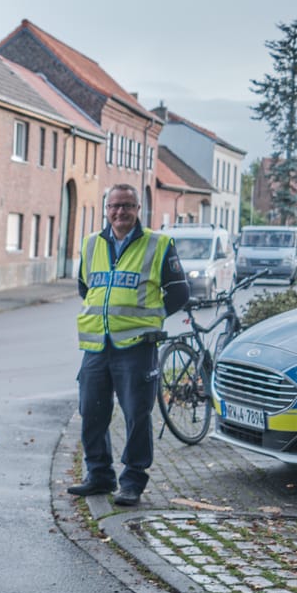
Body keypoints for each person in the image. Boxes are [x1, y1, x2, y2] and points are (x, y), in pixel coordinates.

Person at [67, 184, 189, 506]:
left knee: (136, 415)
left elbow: (179, 293)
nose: (120, 212)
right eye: (114, 206)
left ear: (138, 209)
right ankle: (99, 476)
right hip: (96, 346)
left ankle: (132, 481)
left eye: (127, 206)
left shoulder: (158, 244)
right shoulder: (91, 244)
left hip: (137, 347)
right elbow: (85, 287)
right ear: (106, 209)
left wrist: (152, 319)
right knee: (91, 412)